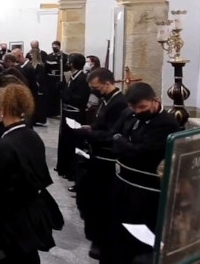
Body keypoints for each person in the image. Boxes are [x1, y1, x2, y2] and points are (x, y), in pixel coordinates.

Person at [0, 84, 63, 264]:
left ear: (2, 110)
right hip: (30, 212)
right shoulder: (32, 136)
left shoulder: (4, 145)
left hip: (10, 219)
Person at [102, 82, 179, 264]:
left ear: (155, 101)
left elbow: (143, 154)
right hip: (122, 182)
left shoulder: (166, 124)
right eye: (133, 107)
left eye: (142, 107)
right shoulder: (131, 114)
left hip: (144, 190)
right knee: (116, 229)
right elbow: (115, 134)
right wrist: (124, 143)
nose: (137, 111)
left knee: (137, 234)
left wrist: (123, 143)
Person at [74, 68, 129, 259]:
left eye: (96, 87)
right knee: (89, 198)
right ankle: (94, 234)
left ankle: (100, 240)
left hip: (107, 161)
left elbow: (113, 134)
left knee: (101, 203)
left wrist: (90, 133)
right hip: (96, 157)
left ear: (107, 83)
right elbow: (101, 123)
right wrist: (91, 127)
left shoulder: (119, 103)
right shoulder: (107, 99)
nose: (94, 91)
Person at [56, 53, 90, 184]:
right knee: (65, 141)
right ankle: (64, 167)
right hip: (67, 113)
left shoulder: (82, 78)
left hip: (75, 115)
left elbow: (80, 98)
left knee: (73, 142)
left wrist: (65, 94)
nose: (67, 63)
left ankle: (72, 171)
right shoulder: (72, 77)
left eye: (69, 61)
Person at [45, 41, 67, 117]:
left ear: (59, 47)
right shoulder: (49, 56)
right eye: (53, 47)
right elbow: (46, 67)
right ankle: (51, 112)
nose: (54, 48)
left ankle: (58, 112)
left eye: (56, 47)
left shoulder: (64, 56)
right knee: (51, 95)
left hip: (59, 77)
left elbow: (66, 67)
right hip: (51, 78)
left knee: (59, 94)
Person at [29, 49, 48, 126]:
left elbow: (40, 77)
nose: (30, 56)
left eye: (31, 54)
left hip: (38, 88)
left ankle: (38, 119)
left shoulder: (39, 65)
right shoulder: (31, 64)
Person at [84, 55, 103, 125]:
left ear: (93, 63)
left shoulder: (98, 74)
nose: (86, 64)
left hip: (95, 99)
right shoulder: (87, 73)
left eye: (87, 62)